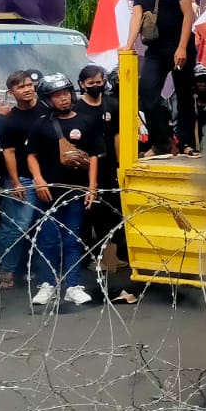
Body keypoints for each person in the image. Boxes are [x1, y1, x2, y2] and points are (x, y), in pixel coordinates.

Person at [23, 73, 101, 309]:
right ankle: (47, 284)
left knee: (72, 239)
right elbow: (31, 155)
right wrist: (38, 180)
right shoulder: (40, 124)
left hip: (75, 192)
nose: (63, 99)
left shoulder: (86, 121)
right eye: (57, 96)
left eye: (66, 93)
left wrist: (92, 187)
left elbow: (95, 156)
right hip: (48, 192)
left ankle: (73, 286)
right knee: (47, 239)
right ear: (49, 99)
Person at [127, 0, 193, 155]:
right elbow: (137, 15)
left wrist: (182, 47)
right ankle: (161, 143)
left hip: (180, 47)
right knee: (147, 93)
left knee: (183, 96)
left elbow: (188, 15)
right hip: (155, 49)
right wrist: (128, 45)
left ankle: (185, 142)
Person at [0, 69, 50, 291]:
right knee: (17, 225)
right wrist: (15, 182)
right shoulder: (9, 119)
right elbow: (9, 152)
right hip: (22, 177)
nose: (27, 89)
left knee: (44, 225)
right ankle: (7, 269)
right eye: (21, 86)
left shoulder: (46, 110)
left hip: (48, 176)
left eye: (30, 85)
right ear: (11, 92)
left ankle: (39, 269)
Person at [75, 63, 125, 277]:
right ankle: (87, 259)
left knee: (111, 214)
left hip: (108, 166)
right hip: (85, 169)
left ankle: (109, 258)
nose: (97, 86)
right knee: (87, 215)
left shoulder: (112, 105)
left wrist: (120, 164)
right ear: (82, 85)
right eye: (91, 83)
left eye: (100, 81)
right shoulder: (77, 109)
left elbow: (116, 136)